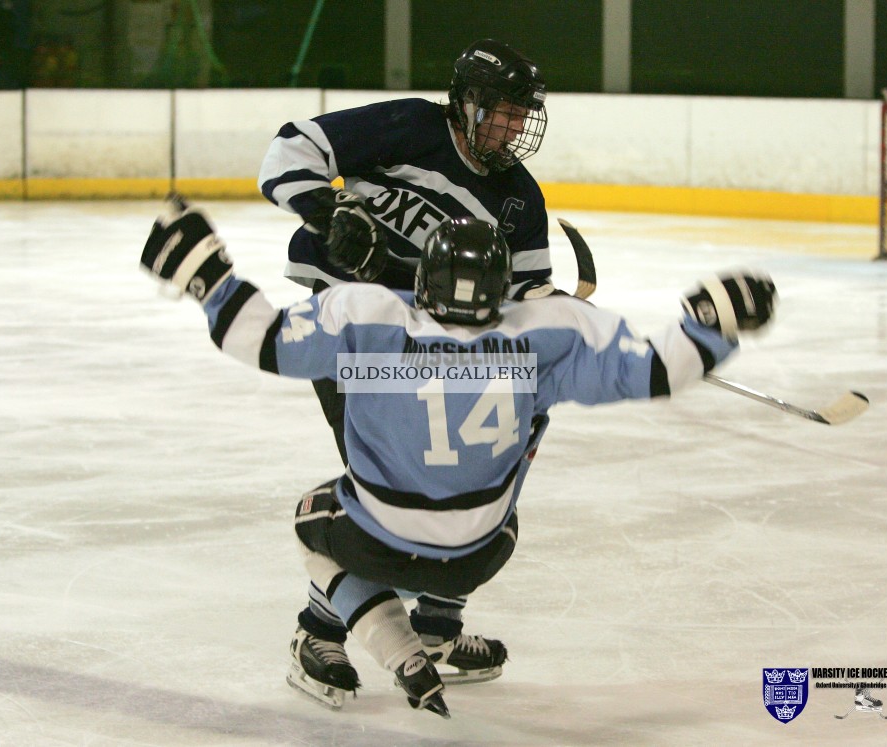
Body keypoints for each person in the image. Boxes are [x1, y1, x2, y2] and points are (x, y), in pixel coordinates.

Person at [140, 196, 778, 717]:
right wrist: (712, 323)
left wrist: (210, 275)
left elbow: (259, 339)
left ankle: (338, 638)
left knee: (315, 522)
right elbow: (659, 370)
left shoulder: (370, 317)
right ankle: (440, 629)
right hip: (479, 558)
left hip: (378, 544)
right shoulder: (545, 336)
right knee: (509, 481)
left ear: (423, 279)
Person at [256, 39, 556, 691]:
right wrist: (327, 212)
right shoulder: (410, 128)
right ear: (468, 104)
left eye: (520, 115)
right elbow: (288, 150)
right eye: (502, 112)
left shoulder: (517, 199)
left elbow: (526, 293)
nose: (512, 128)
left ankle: (437, 625)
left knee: (513, 428)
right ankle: (319, 630)